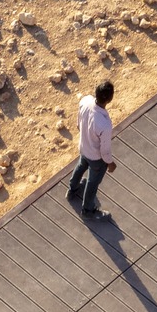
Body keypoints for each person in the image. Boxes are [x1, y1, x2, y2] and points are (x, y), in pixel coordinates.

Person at [66, 80, 116, 221]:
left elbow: (78, 125)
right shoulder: (104, 124)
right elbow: (105, 150)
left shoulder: (85, 101)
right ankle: (88, 210)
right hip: (96, 158)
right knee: (92, 183)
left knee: (81, 165)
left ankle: (72, 190)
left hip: (83, 147)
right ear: (109, 99)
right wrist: (110, 163)